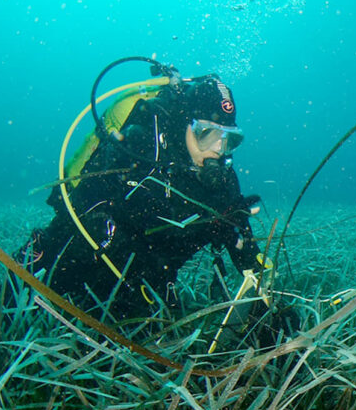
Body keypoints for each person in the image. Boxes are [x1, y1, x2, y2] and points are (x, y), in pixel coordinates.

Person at [21, 64, 267, 322]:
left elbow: (240, 241)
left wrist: (261, 296)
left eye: (229, 140)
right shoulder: (139, 144)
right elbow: (84, 204)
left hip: (149, 275)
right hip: (93, 252)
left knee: (137, 321)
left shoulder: (221, 175)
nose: (218, 148)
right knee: (39, 281)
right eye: (207, 134)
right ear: (186, 123)